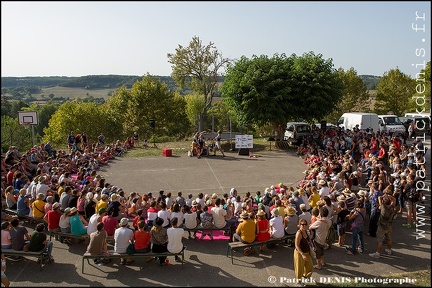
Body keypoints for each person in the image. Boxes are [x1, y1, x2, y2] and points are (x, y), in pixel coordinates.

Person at [369, 194, 397, 258]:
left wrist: (384, 196)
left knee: (380, 240)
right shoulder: (392, 207)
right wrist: (389, 196)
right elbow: (394, 199)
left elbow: (379, 197)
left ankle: (377, 253)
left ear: (383, 202)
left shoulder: (383, 208)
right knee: (388, 238)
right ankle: (389, 250)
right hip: (389, 225)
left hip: (382, 226)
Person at [294, 218, 313, 284]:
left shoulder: (306, 231)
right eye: (302, 224)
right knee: (299, 268)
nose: (304, 226)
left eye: (305, 224)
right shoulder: (299, 233)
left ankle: (306, 277)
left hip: (307, 252)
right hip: (300, 253)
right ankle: (299, 282)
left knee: (310, 266)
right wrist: (302, 254)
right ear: (299, 225)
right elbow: (296, 245)